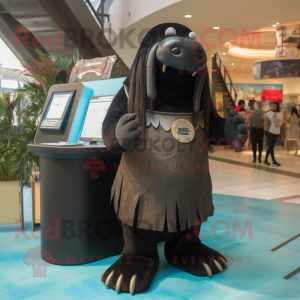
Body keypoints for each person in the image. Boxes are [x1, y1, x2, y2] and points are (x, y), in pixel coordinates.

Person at [263, 102, 283, 166]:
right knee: (271, 146)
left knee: (271, 146)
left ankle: (265, 160)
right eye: (272, 106)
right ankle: (274, 161)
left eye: (274, 106)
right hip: (269, 131)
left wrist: (279, 123)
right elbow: (268, 119)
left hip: (277, 131)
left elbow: (281, 122)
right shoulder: (268, 113)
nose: (273, 107)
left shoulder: (279, 113)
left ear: (277, 107)